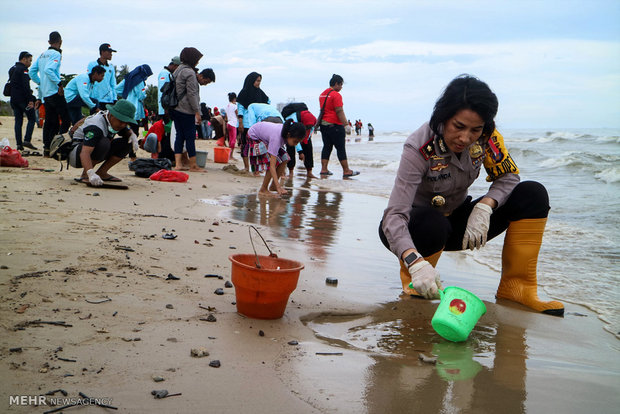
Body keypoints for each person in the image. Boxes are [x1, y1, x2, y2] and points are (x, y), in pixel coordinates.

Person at [379, 74, 564, 316]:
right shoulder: (419, 147)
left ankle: (517, 287)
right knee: (433, 222)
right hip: (417, 233)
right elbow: (394, 216)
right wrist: (414, 262)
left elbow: (508, 177)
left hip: (457, 226)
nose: (465, 138)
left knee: (532, 194)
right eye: (459, 127)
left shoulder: (488, 138)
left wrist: (486, 205)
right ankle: (417, 284)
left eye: (475, 130)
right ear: (443, 117)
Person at [68, 99, 139, 186]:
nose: (123, 125)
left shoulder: (112, 119)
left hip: (93, 150)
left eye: (126, 122)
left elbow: (126, 130)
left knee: (128, 142)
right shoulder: (96, 125)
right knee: (103, 142)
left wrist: (132, 135)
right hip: (76, 155)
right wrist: (91, 173)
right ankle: (85, 175)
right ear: (112, 115)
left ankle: (102, 172)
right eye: (121, 121)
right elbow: (84, 152)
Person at [29, 31, 71, 156]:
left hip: (46, 94)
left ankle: (47, 147)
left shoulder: (42, 55)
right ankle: (59, 145)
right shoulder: (56, 54)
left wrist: (41, 83)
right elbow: (49, 70)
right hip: (55, 92)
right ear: (60, 41)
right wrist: (59, 84)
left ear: (49, 42)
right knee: (66, 119)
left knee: (49, 121)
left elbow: (32, 72)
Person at [247, 120, 306, 196]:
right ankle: (263, 189)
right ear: (288, 135)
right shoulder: (277, 138)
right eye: (295, 141)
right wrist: (279, 187)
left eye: (298, 142)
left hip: (265, 137)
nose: (295, 144)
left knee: (285, 158)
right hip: (254, 136)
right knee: (273, 162)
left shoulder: (286, 133)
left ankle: (273, 186)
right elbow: (272, 166)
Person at [318, 74, 359, 178]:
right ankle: (346, 170)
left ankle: (324, 169)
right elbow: (339, 110)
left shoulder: (322, 95)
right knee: (340, 148)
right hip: (335, 125)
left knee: (327, 147)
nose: (341, 88)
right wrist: (346, 125)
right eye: (340, 85)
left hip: (324, 125)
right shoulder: (336, 95)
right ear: (336, 84)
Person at [171, 47, 204, 172]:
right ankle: (193, 165)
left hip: (175, 108)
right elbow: (192, 94)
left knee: (179, 136)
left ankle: (178, 164)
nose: (198, 62)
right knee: (190, 137)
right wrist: (197, 111)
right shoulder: (189, 73)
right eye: (197, 59)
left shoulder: (178, 69)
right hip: (186, 109)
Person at [237, 72, 270, 172]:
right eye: (257, 81)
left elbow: (268, 102)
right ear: (251, 81)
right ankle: (247, 167)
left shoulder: (260, 93)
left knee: (257, 147)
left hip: (257, 124)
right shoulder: (244, 92)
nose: (258, 83)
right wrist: (240, 122)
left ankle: (256, 168)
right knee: (245, 145)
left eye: (260, 81)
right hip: (246, 123)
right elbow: (240, 108)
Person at [8, 51, 37, 150]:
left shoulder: (12, 69)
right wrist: (30, 99)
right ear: (24, 59)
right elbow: (25, 86)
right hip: (23, 100)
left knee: (18, 121)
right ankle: (27, 140)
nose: (30, 63)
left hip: (13, 99)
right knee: (32, 118)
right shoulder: (24, 70)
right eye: (29, 60)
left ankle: (19, 144)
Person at [282, 104, 317, 178]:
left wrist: (305, 141)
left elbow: (309, 133)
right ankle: (291, 172)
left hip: (303, 126)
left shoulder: (314, 121)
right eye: (307, 127)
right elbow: (295, 140)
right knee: (290, 146)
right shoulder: (293, 118)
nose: (308, 128)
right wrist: (300, 152)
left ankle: (309, 172)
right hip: (292, 130)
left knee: (308, 147)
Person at [87, 43, 118, 110]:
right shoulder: (92, 64)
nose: (111, 54)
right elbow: (88, 80)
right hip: (95, 99)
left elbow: (113, 84)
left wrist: (114, 98)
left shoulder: (111, 67)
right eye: (109, 52)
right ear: (102, 52)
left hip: (109, 100)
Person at [225, 93, 238, 160]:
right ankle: (231, 155)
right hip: (233, 124)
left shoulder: (227, 106)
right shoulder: (234, 106)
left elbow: (226, 116)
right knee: (233, 140)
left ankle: (229, 155)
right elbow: (237, 114)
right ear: (234, 98)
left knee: (230, 139)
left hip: (229, 123)